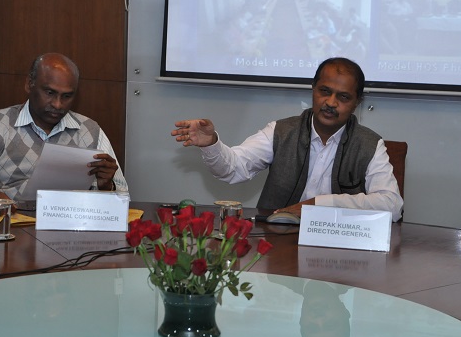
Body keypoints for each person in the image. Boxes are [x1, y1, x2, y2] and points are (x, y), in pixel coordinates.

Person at [172, 57, 403, 221]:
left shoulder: (369, 144)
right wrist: (212, 144)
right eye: (324, 91)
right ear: (313, 89)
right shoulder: (281, 132)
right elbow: (234, 169)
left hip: (341, 248)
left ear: (357, 103)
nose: (331, 103)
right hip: (278, 241)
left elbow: (392, 206)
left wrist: (321, 204)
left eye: (343, 97)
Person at [0, 53, 128, 212]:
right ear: (29, 84)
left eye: (67, 96)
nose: (57, 104)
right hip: (11, 226)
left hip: (70, 227)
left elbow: (122, 196)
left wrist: (107, 186)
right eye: (50, 93)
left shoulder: (90, 131)